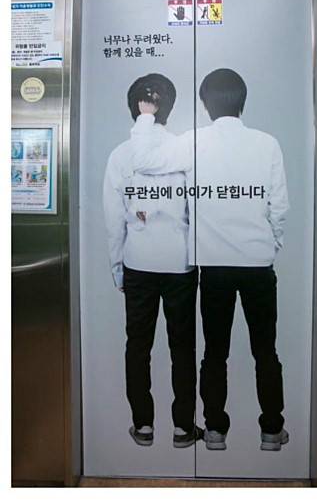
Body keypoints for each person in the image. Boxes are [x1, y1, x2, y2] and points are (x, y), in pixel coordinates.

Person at [130, 68, 290, 452]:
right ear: (242, 101)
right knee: (265, 351)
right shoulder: (267, 144)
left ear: (205, 104)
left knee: (215, 353)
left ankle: (215, 430)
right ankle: (271, 430)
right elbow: (279, 207)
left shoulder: (195, 141)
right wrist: (270, 245)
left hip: (214, 266)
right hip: (257, 265)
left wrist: (146, 117)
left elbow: (145, 160)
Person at [103, 73, 203, 449]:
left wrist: (117, 268)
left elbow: (114, 220)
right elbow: (198, 210)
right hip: (180, 264)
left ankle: (143, 425)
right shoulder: (183, 151)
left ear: (135, 107)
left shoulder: (120, 155)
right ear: (170, 107)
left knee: (138, 345)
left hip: (137, 262)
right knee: (183, 347)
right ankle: (183, 428)